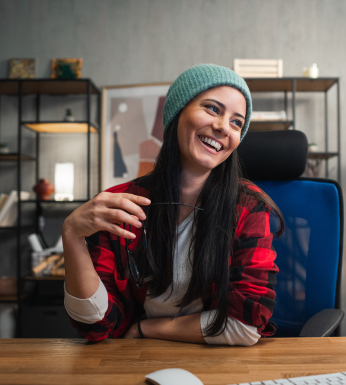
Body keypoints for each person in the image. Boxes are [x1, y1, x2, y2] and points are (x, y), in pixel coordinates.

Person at [62, 64, 283, 346]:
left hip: (221, 361)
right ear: (177, 113)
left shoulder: (248, 207)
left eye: (236, 122)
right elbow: (97, 324)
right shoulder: (122, 205)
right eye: (213, 109)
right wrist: (72, 234)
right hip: (136, 361)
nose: (222, 127)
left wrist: (147, 329)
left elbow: (245, 324)